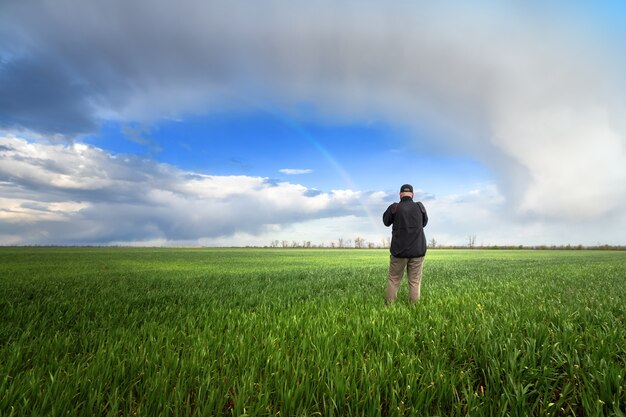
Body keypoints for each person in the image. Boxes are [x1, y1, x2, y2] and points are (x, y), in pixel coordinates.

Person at [382, 184, 428, 304]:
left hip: (399, 252)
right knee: (414, 281)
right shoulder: (420, 206)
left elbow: (386, 222)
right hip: (417, 251)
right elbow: (424, 223)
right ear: (412, 194)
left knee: (394, 279)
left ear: (400, 194)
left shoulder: (395, 207)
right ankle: (414, 307)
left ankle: (390, 306)